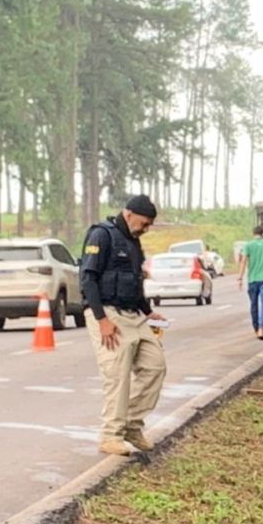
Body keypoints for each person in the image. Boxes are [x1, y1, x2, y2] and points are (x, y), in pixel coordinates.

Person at [79, 195, 167, 456]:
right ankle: (110, 436)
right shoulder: (101, 236)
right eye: (144, 223)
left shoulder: (134, 242)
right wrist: (101, 320)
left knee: (155, 366)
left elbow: (135, 282)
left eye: (149, 224)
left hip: (133, 315)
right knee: (118, 375)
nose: (146, 228)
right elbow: (88, 279)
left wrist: (149, 312)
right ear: (129, 214)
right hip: (107, 313)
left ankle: (131, 424)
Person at [237, 225, 263, 340]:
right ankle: (262, 328)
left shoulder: (248, 245)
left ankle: (256, 328)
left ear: (253, 234)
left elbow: (243, 262)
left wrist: (240, 278)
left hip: (252, 280)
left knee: (253, 305)